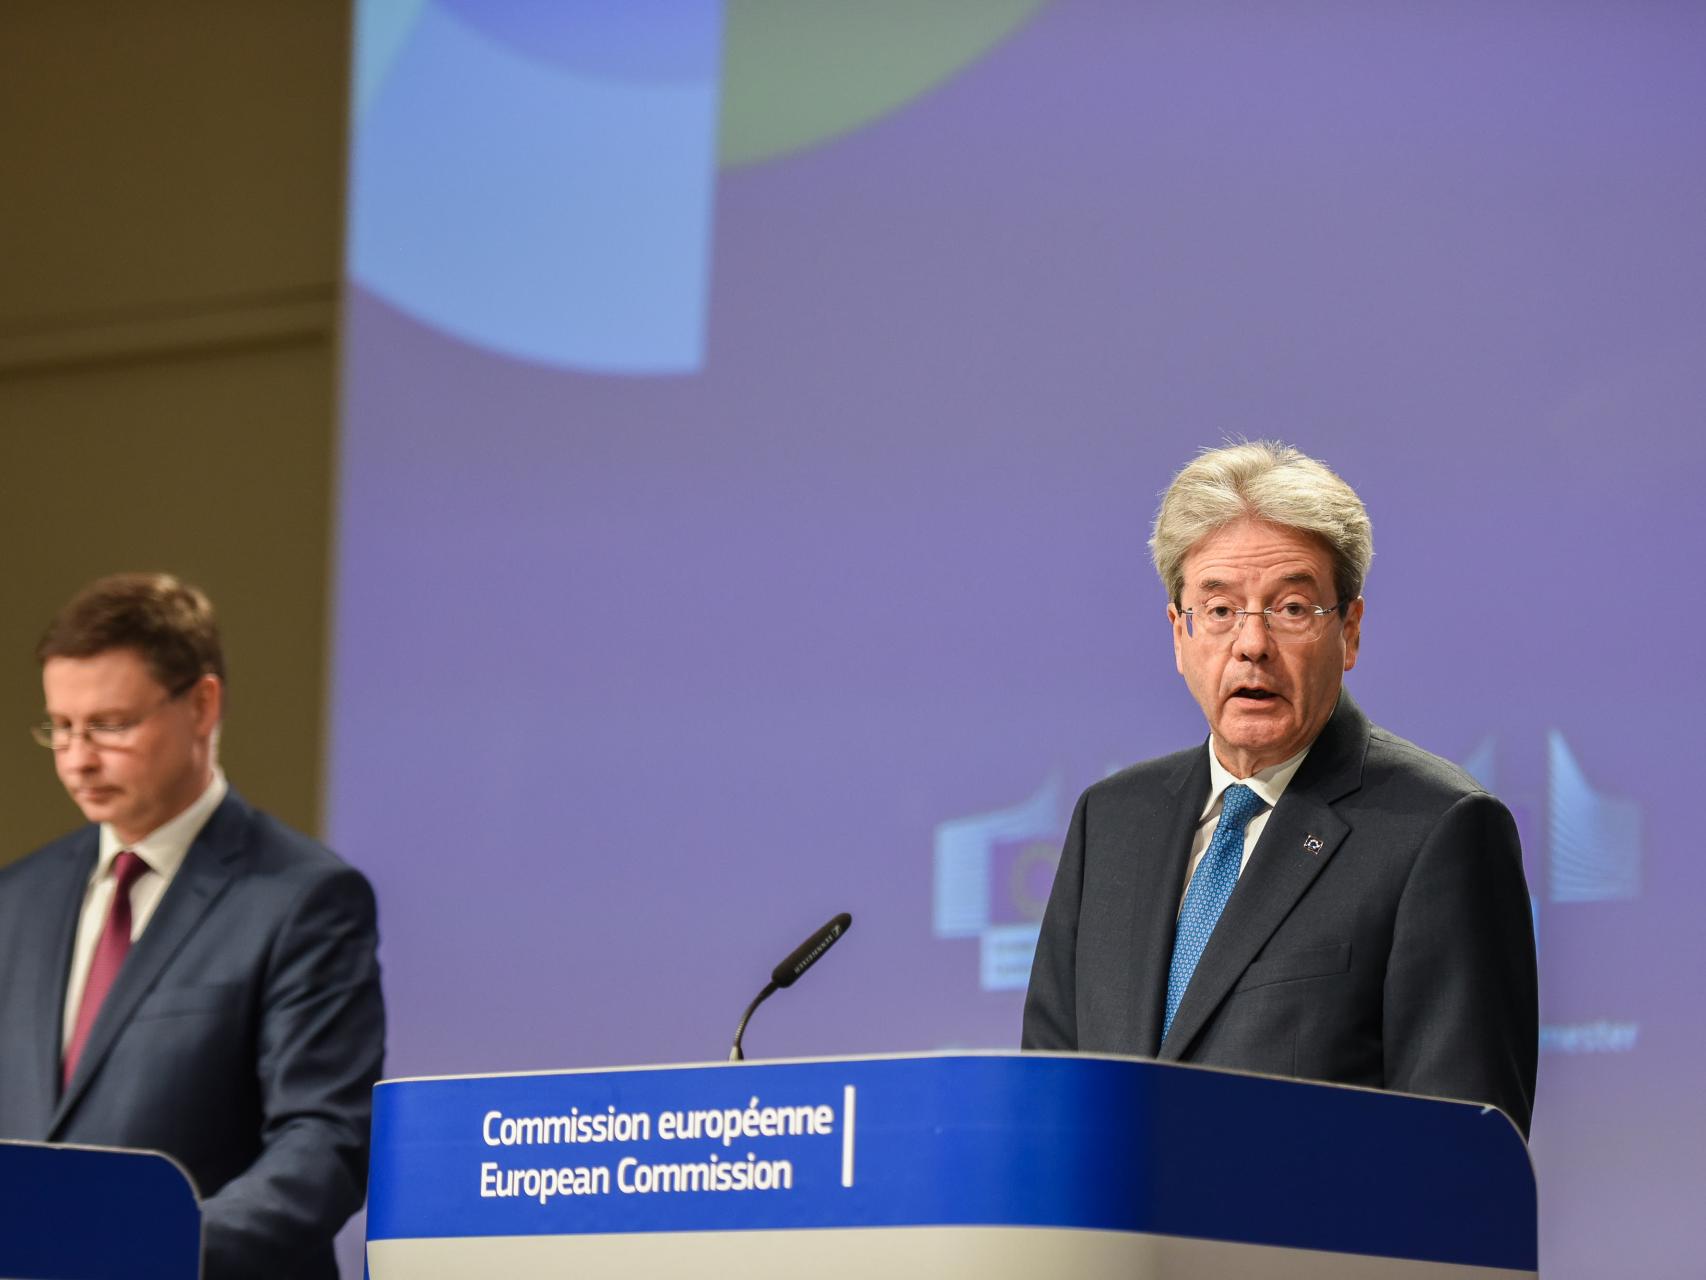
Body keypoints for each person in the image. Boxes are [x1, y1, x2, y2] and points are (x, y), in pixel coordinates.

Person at [1022, 442, 1538, 1136]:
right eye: (1220, 609)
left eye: (1291, 608)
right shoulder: (1110, 823)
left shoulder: (1437, 829)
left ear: (1349, 632)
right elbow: (1045, 1105)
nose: (1251, 644)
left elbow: (1460, 1154)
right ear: (1179, 634)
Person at [0, 573, 384, 1277]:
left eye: (111, 726)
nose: (79, 759)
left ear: (202, 706)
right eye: (61, 728)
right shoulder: (15, 900)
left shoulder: (303, 898)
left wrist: (155, 1248)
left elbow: (324, 1142)